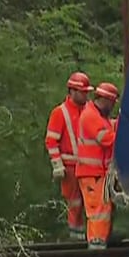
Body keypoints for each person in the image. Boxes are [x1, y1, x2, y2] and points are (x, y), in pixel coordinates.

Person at [45, 72, 92, 239]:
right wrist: (57, 165)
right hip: (70, 168)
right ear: (72, 91)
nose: (85, 95)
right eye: (82, 92)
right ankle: (76, 235)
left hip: (90, 167)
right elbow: (51, 141)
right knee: (75, 204)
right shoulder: (60, 112)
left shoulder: (90, 110)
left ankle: (91, 235)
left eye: (87, 92)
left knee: (92, 203)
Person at [75, 81, 120, 249]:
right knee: (98, 211)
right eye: (113, 103)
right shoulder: (91, 116)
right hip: (91, 174)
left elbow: (110, 128)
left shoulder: (99, 116)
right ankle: (96, 245)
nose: (113, 107)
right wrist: (124, 134)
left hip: (97, 173)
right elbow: (107, 139)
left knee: (102, 209)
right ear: (107, 100)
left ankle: (100, 242)